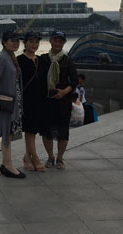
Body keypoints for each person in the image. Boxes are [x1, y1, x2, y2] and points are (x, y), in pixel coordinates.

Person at [40, 30, 78, 170]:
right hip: (47, 101)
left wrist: (64, 92)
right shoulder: (43, 59)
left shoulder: (68, 61)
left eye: (60, 41)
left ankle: (60, 158)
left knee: (63, 131)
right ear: (50, 41)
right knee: (47, 130)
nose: (57, 43)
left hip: (63, 101)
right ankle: (50, 156)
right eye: (55, 40)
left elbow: (74, 82)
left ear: (63, 43)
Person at [0, 30, 25, 178]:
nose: (15, 43)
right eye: (12, 40)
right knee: (7, 132)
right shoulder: (1, 58)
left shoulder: (11, 56)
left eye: (17, 41)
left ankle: (6, 164)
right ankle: (7, 164)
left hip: (13, 102)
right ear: (4, 42)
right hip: (5, 102)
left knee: (9, 132)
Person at [17, 31, 46, 172]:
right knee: (29, 129)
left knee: (33, 130)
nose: (34, 44)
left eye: (36, 42)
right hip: (26, 100)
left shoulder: (40, 60)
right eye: (31, 41)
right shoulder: (19, 60)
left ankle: (27, 157)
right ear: (25, 43)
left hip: (39, 99)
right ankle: (35, 157)